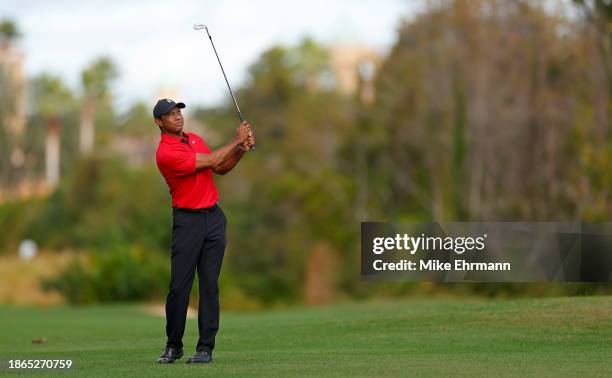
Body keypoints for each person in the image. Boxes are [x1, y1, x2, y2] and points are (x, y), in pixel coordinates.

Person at [153, 99, 254, 364]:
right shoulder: (166, 152)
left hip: (213, 218)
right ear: (159, 123)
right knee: (180, 287)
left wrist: (241, 148)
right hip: (187, 222)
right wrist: (236, 139)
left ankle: (205, 349)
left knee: (209, 285)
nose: (177, 117)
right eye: (170, 115)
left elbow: (220, 167)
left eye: (178, 112)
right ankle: (173, 345)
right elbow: (212, 159)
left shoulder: (195, 139)